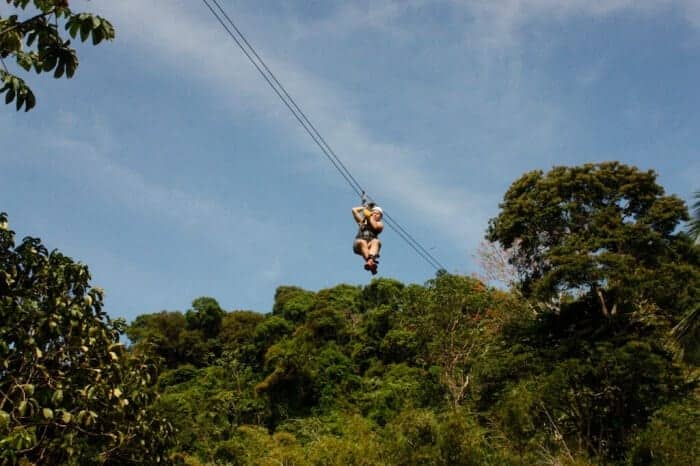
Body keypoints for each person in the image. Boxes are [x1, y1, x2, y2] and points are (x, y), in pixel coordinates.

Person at [352, 204, 384, 274]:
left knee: (376, 241)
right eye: (374, 212)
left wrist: (369, 216)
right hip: (359, 245)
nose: (375, 214)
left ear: (380, 217)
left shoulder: (380, 224)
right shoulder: (363, 222)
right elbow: (354, 210)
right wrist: (364, 208)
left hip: (370, 246)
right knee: (362, 242)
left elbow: (375, 226)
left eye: (377, 214)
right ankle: (371, 261)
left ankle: (370, 262)